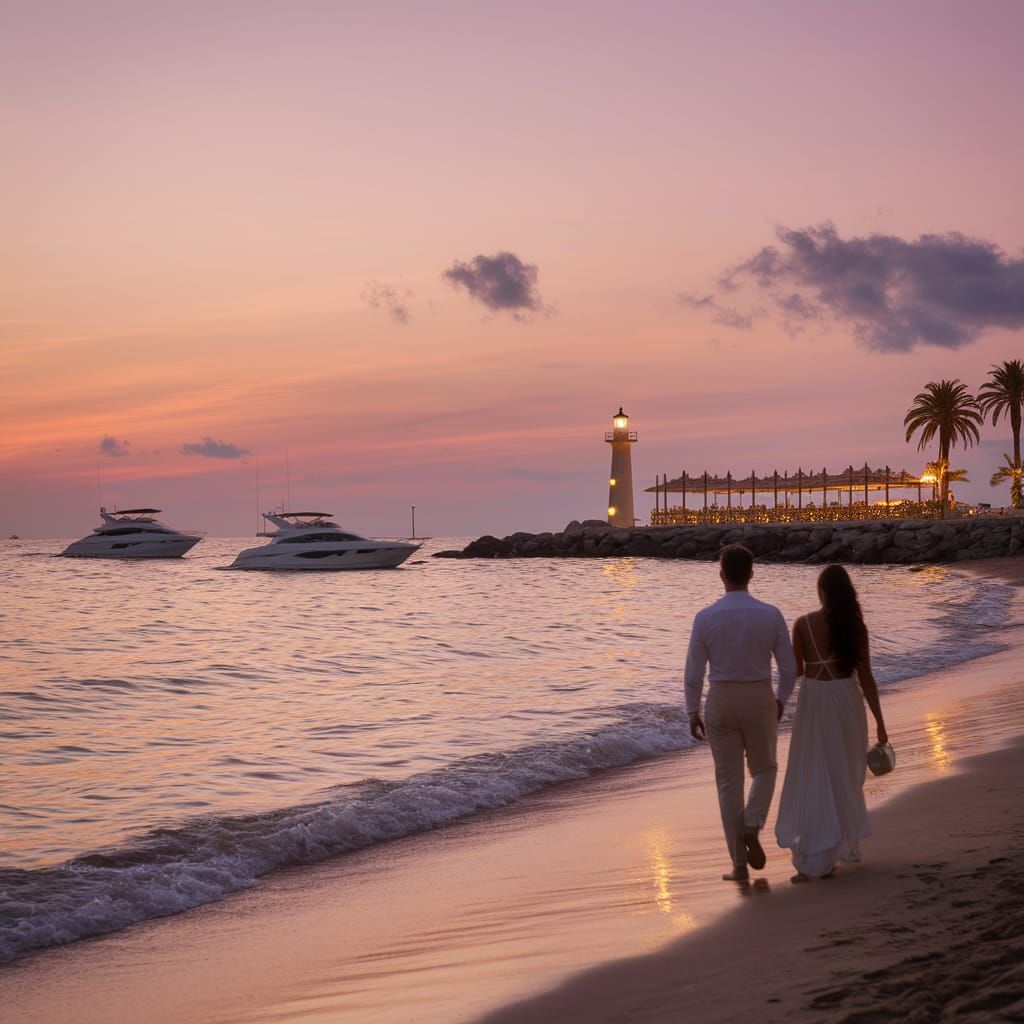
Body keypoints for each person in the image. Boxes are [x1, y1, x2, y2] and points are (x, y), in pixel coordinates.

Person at [685, 545, 797, 882]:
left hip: (720, 699)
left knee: (727, 783)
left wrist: (692, 710)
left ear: (722, 575)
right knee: (765, 769)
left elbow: (693, 671)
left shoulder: (706, 617)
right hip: (759, 694)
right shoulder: (770, 614)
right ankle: (753, 822)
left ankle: (738, 865)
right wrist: (780, 699)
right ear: (751, 574)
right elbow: (789, 668)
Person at [775, 564, 888, 882]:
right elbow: (866, 677)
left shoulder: (802, 624)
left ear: (821, 591)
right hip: (846, 701)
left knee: (813, 772)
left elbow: (794, 670)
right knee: (843, 774)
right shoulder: (855, 626)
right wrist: (880, 721)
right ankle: (833, 848)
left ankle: (815, 854)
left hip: (814, 701)